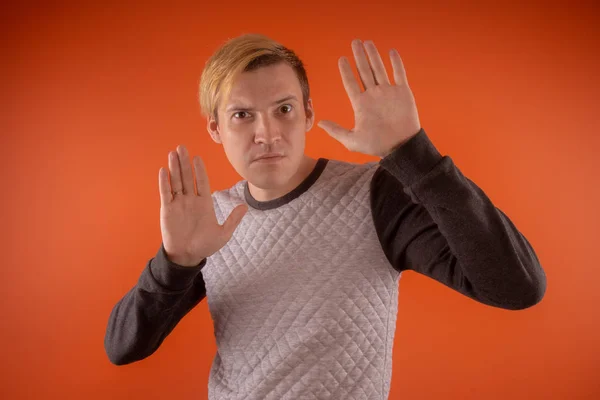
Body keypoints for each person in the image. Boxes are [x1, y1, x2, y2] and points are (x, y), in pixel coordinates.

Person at [104, 33, 546, 399]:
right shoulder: (212, 219)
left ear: (308, 113)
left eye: (284, 109)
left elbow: (517, 286)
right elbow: (123, 347)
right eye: (242, 115)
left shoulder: (375, 196)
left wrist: (413, 153)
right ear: (215, 129)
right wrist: (175, 262)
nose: (267, 133)